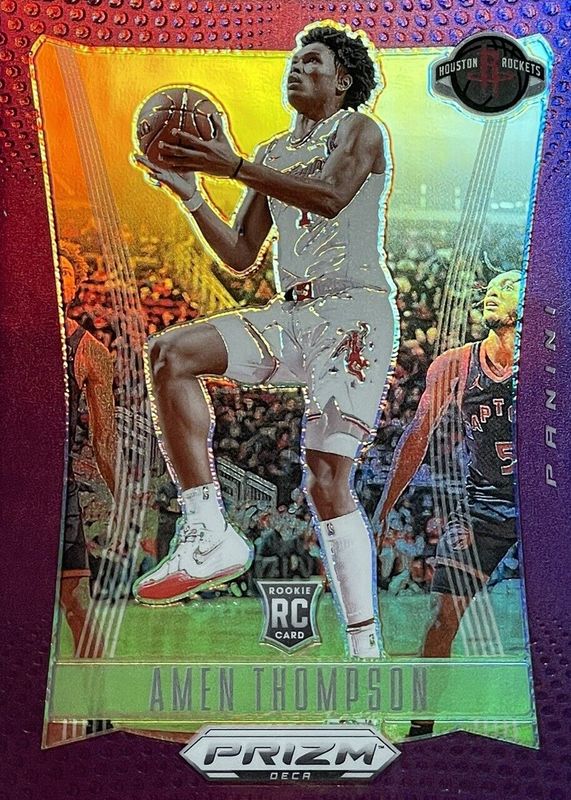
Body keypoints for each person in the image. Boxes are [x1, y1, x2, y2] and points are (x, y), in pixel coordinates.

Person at [133, 24, 398, 658]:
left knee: (326, 478)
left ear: (343, 79)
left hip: (355, 313)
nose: (297, 67)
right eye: (294, 60)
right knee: (170, 354)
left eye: (313, 61)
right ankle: (209, 532)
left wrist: (233, 166)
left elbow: (331, 197)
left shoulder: (360, 130)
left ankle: (365, 648)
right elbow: (241, 254)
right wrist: (195, 197)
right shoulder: (272, 152)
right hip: (294, 312)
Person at [375, 270, 521, 731]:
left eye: (508, 286)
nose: (493, 292)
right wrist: (383, 509)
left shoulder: (551, 362)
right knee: (443, 618)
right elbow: (417, 435)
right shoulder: (455, 364)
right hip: (483, 505)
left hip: (547, 504)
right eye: (490, 288)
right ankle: (421, 729)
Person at [59, 242, 117, 656]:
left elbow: (104, 438)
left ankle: (97, 693)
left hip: (56, 488)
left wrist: (122, 497)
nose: (55, 278)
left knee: (76, 600)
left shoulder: (89, 350)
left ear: (75, 286)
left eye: (63, 272)